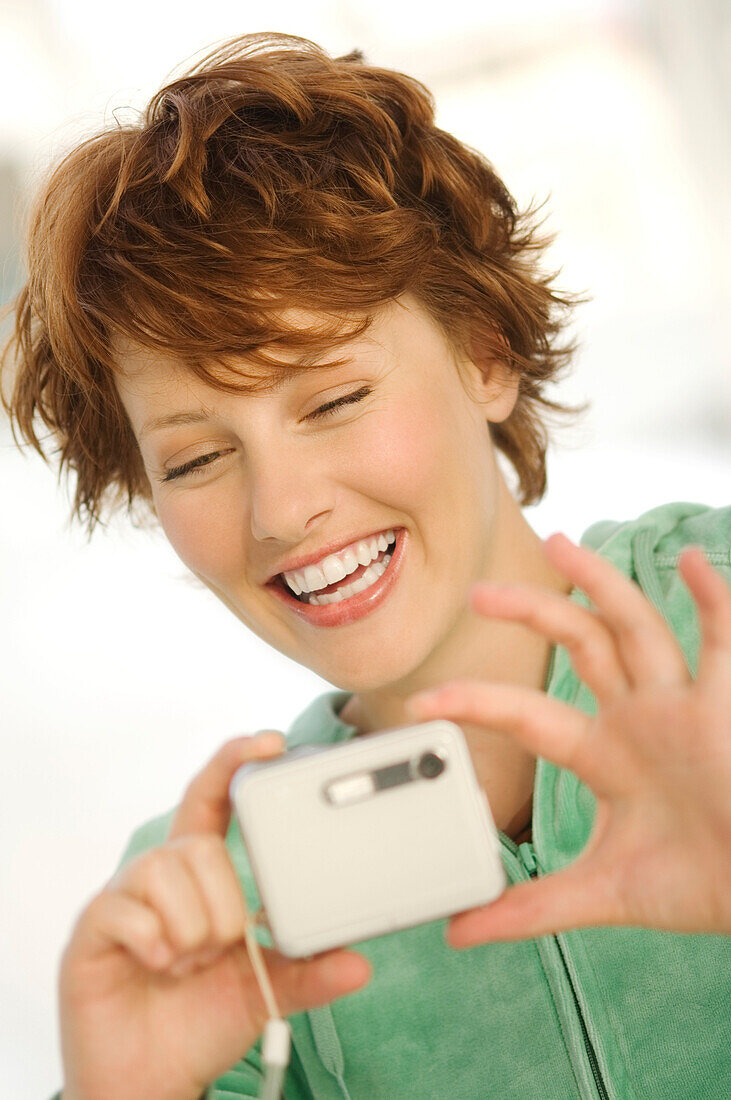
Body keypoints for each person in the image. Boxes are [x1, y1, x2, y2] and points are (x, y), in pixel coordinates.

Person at [2, 31, 729, 1100]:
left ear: (483, 353)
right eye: (198, 457)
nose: (282, 509)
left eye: (334, 398)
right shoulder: (214, 906)